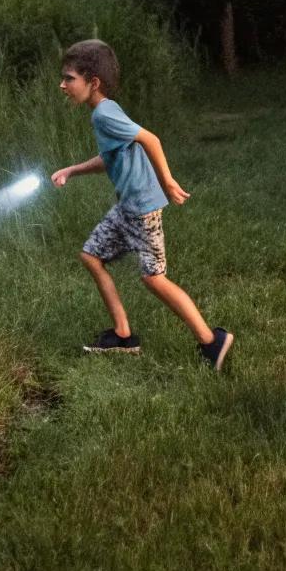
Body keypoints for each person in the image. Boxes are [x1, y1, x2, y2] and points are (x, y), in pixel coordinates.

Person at [51, 39, 233, 370]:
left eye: (69, 78)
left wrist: (167, 181)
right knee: (91, 255)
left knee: (154, 279)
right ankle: (123, 335)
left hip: (141, 209)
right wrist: (73, 170)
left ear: (93, 81)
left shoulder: (104, 114)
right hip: (129, 207)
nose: (62, 85)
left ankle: (211, 341)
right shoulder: (106, 112)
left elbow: (151, 139)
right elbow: (111, 158)